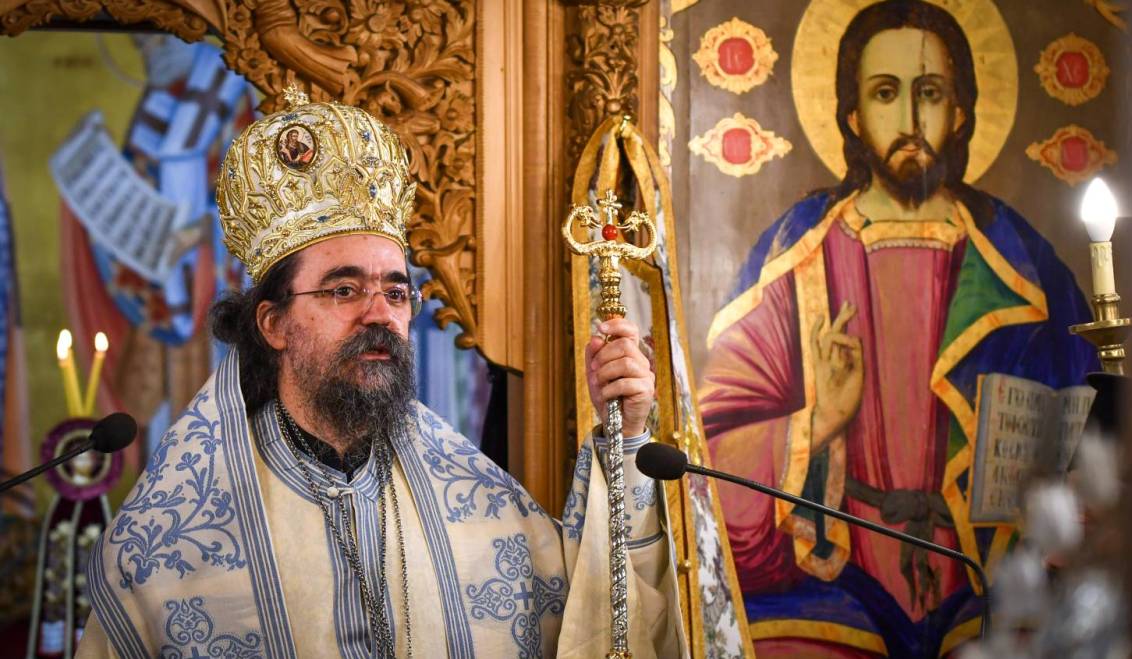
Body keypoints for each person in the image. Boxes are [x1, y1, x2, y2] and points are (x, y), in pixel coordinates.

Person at [76, 90, 684, 657]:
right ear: (273, 324)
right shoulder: (171, 538)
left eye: (396, 293)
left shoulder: (477, 501)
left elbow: (597, 621)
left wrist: (626, 436)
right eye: (344, 290)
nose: (380, 315)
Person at [699, 1, 1095, 656]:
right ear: (853, 116)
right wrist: (817, 420)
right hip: (832, 580)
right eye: (885, 94)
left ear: (960, 111)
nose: (910, 121)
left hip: (989, 582)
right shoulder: (795, 260)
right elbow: (709, 453)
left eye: (929, 93)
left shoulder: (1021, 263)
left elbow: (1094, 424)